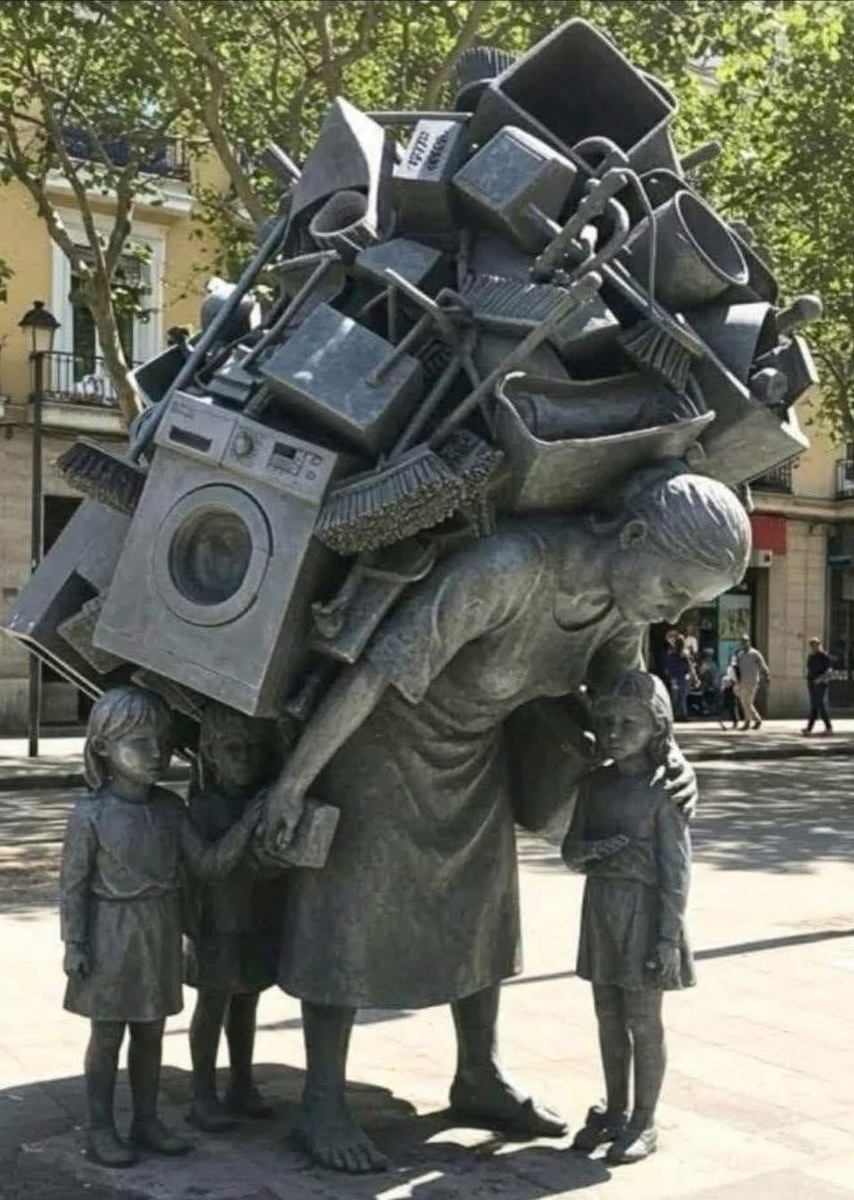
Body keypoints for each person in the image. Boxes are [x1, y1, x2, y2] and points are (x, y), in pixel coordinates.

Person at [258, 466, 750, 1174]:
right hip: (381, 743)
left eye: (688, 602)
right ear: (636, 536)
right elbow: (370, 674)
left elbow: (630, 700)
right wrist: (294, 784)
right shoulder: (507, 569)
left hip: (476, 753)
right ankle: (323, 1100)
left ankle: (478, 1074)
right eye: (674, 589)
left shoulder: (623, 611)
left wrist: (671, 759)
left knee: (482, 911)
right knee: (350, 912)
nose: (673, 613)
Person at [59, 686, 263, 1168]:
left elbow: (209, 865)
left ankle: (146, 1120)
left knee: (151, 1031)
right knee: (107, 1035)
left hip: (160, 931)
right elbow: (72, 886)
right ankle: (101, 1127)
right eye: (140, 743)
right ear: (103, 748)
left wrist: (248, 825)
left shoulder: (170, 809)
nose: (156, 753)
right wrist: (75, 942)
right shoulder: (90, 814)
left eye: (163, 742)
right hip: (111, 932)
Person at [563, 671, 694, 1165]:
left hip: (645, 916)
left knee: (643, 1019)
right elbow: (570, 850)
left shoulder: (664, 792)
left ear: (657, 728)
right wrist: (594, 850)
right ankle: (615, 1109)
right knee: (607, 1015)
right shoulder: (594, 785)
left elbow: (677, 871)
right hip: (601, 910)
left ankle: (644, 1118)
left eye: (629, 724)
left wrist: (667, 938)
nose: (614, 732)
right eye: (608, 722)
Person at [185, 703, 287, 1132]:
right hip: (216, 924)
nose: (245, 759)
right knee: (213, 1004)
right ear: (210, 754)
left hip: (255, 916)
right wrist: (248, 824)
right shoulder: (201, 809)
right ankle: (202, 1093)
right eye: (233, 749)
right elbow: (212, 866)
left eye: (252, 749)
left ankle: (241, 1084)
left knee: (247, 1001)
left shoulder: (260, 800)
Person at [733, 634, 770, 730]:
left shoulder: (755, 654)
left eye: (745, 641)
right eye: (742, 642)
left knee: (747, 702)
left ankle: (747, 722)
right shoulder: (740, 655)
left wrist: (766, 674)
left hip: (752, 681)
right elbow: (736, 667)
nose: (744, 643)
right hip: (743, 681)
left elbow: (762, 665)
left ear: (749, 642)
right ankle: (757, 719)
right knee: (745, 702)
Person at [802, 636, 834, 736]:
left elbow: (829, 671)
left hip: (820, 684)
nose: (813, 647)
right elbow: (809, 668)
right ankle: (810, 728)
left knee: (819, 704)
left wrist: (820, 679)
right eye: (812, 645)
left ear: (819, 645)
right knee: (814, 706)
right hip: (811, 683)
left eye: (815, 645)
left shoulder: (824, 656)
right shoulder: (811, 656)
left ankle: (827, 727)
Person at [663, 632, 695, 721]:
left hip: (674, 678)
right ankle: (683, 715)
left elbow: (667, 668)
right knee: (682, 697)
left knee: (675, 697)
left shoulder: (670, 653)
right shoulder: (684, 654)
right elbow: (689, 667)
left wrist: (670, 676)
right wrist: (694, 678)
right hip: (683, 678)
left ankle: (674, 715)